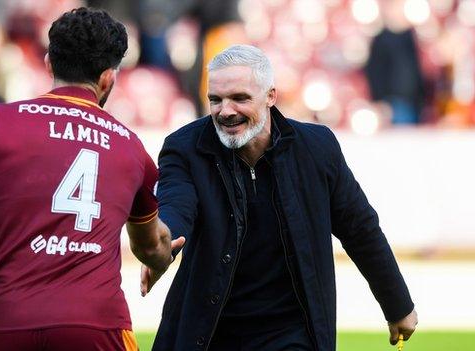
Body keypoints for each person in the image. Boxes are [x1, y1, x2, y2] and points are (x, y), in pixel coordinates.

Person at [0, 8, 177, 351]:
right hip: (97, 325)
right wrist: (161, 259)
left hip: (11, 324)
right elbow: (151, 245)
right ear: (109, 78)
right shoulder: (130, 146)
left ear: (50, 64)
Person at [142, 45, 418, 350]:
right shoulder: (184, 147)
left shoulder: (317, 148)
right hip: (209, 334)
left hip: (292, 335)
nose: (226, 111)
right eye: (215, 100)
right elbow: (176, 205)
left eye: (240, 98)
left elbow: (360, 229)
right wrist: (160, 242)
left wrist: (398, 305)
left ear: (270, 96)